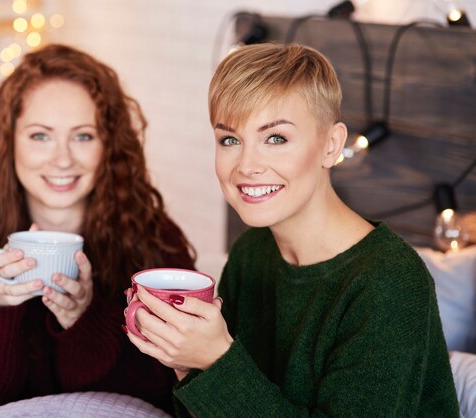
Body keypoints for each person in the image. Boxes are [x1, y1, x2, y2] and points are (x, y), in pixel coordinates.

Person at [126, 42, 459, 417]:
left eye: (276, 138)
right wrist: (188, 362)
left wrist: (217, 360)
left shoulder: (390, 280)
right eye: (230, 140)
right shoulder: (251, 252)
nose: (247, 165)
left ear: (331, 146)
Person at [0, 43, 195, 418]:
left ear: (108, 145)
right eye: (40, 136)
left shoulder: (155, 242)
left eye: (83, 136)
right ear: (9, 142)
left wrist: (84, 318)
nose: (63, 159)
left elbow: (171, 399)